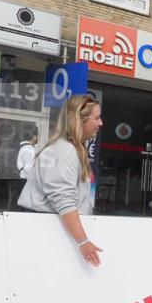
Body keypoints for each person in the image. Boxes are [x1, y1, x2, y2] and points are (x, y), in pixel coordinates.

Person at [17, 93, 103, 267]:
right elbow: (63, 200)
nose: (100, 123)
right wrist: (83, 242)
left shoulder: (72, 149)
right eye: (97, 118)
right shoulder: (64, 151)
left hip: (54, 230)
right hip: (48, 230)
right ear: (80, 120)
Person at [11, 127, 38, 210]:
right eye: (37, 135)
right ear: (33, 136)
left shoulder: (22, 147)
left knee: (17, 206)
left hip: (20, 182)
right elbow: (28, 170)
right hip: (24, 183)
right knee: (23, 209)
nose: (38, 138)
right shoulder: (28, 149)